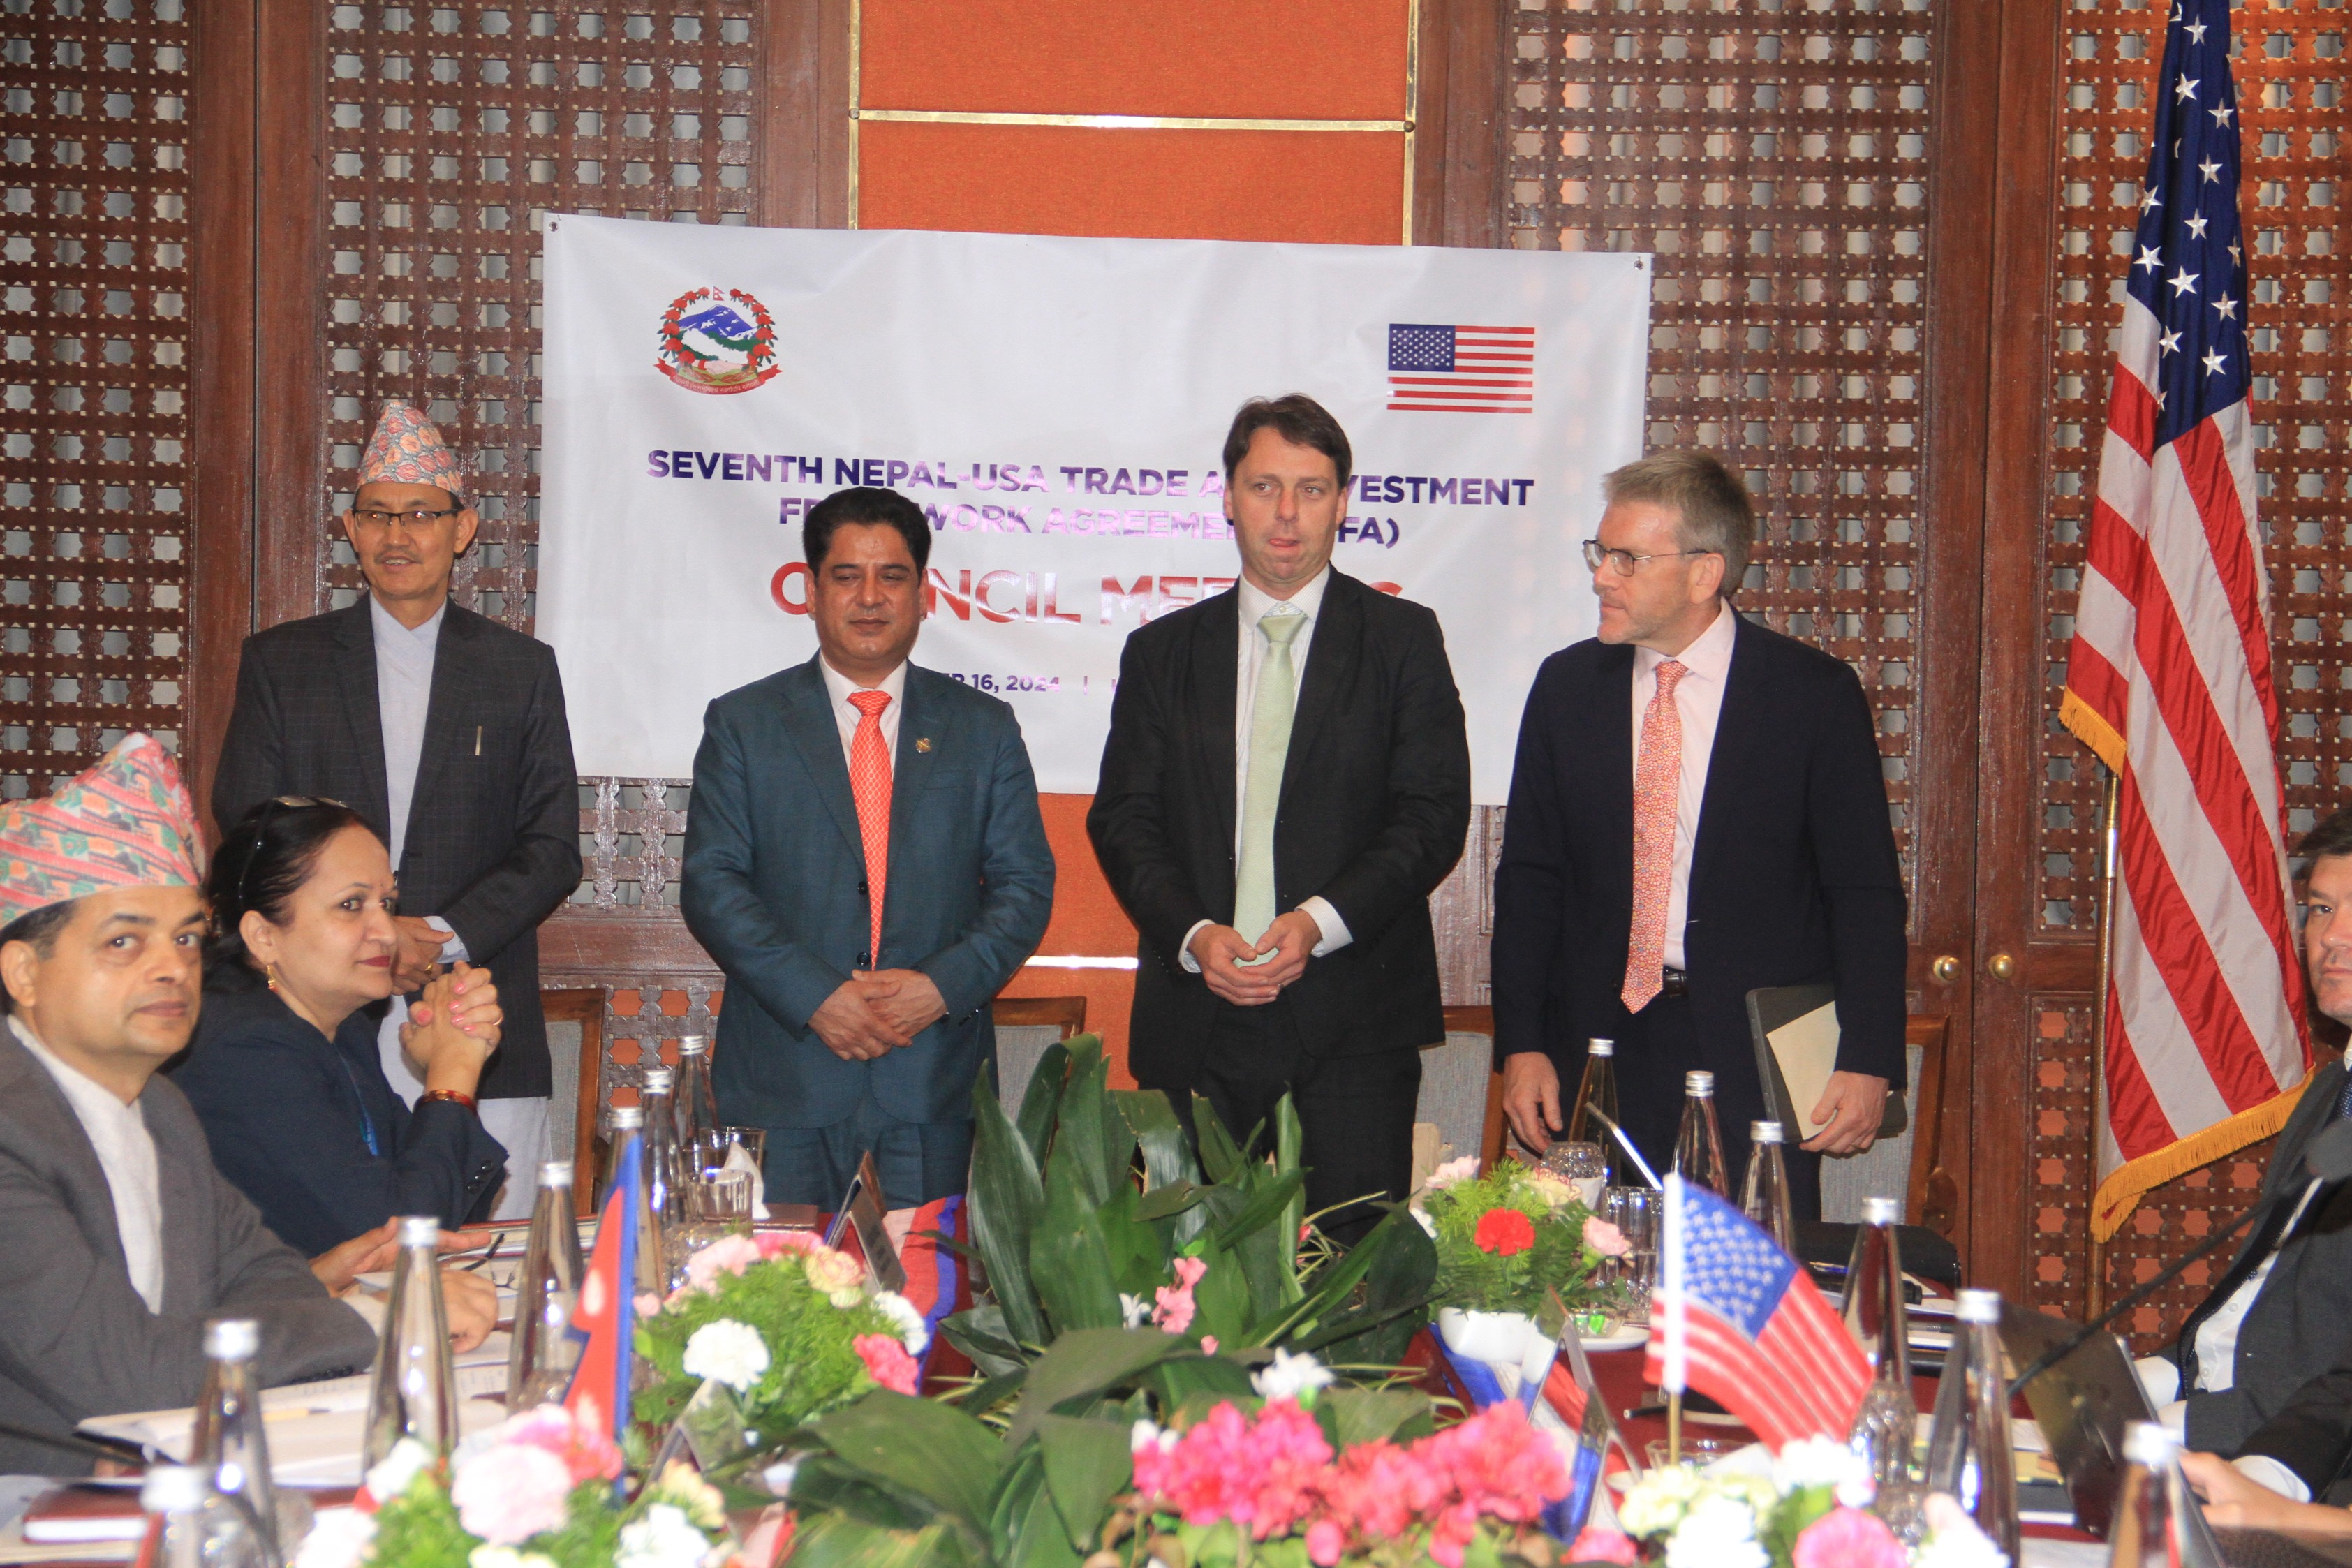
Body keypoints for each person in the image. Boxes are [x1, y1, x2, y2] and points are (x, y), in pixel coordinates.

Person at [0, 734, 492, 1474]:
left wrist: (327, 1307)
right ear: (24, 973)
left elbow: (271, 1278)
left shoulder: (158, 1107)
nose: (172, 967)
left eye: (186, 938)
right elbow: (127, 1371)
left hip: (175, 1457)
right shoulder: (12, 1129)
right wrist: (374, 1316)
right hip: (42, 1494)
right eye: (125, 942)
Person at [1088, 394, 1471, 1241]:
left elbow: (1432, 815)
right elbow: (1124, 818)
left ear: (1343, 502)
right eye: (1265, 486)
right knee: (1182, 1276)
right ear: (1228, 497)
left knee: (1352, 1274)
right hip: (1198, 1014)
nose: (1287, 512)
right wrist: (1195, 934)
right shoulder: (1162, 653)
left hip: (1354, 1014)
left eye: (1312, 488)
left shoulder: (1403, 638)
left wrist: (1317, 921)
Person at [1491, 450, 1907, 1221]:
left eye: (1627, 559)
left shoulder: (1810, 695)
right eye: (1599, 553)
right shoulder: (1567, 688)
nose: (1601, 577)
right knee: (1593, 1269)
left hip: (1750, 1053)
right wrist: (1522, 1045)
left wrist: (1868, 1056)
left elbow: (1863, 890)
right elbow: (1529, 879)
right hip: (1597, 1046)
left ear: (1703, 572)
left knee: (1748, 1281)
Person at [212, 401, 582, 1219]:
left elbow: (553, 843)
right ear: (351, 528)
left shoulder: (520, 669)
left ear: (463, 529)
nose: (397, 534)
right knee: (342, 1238)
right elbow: (247, 823)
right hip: (316, 1012)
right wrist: (371, 929)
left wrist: (438, 934)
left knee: (487, 1246)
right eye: (378, 514)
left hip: (474, 1009)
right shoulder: (284, 661)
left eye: (421, 514)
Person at [681, 487, 1054, 1209]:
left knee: (925, 1282)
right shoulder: (745, 723)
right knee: (776, 1282)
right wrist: (817, 997)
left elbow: (1024, 885)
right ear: (811, 591)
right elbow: (713, 884)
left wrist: (938, 989)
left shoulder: (982, 727)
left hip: (931, 1081)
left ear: (923, 593)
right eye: (847, 576)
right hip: (785, 1082)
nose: (870, 597)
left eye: (893, 576)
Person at [168, 798, 510, 1255]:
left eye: (386, 903)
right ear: (263, 936)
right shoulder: (246, 1050)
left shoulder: (340, 1029)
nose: (386, 931)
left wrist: (454, 1054)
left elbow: (449, 1206)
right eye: (351, 905)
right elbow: (397, 1241)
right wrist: (453, 1072)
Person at [2134, 808, 2352, 1496]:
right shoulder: (2331, 1091)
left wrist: (2155, 1430)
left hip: (2294, 1467)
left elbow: (2327, 1383)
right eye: (2322, 908)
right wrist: (2126, 1384)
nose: (2332, 936)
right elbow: (2254, 1315)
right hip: (2223, 1413)